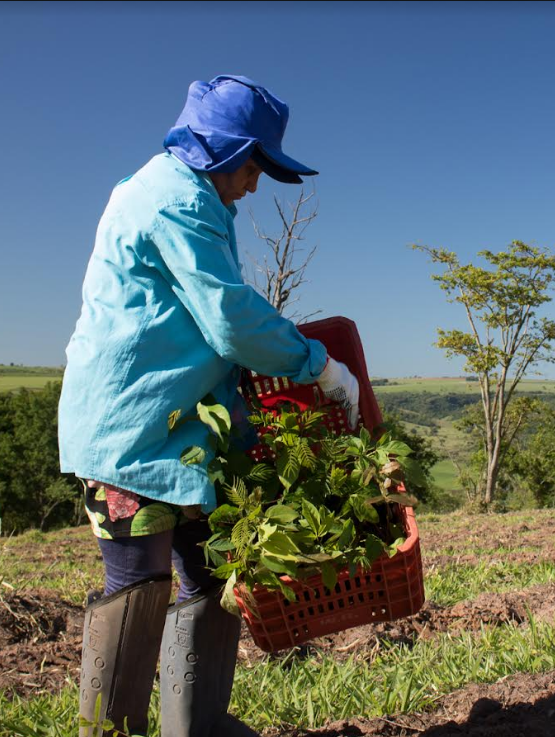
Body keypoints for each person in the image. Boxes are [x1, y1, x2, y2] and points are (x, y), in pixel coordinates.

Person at [58, 75, 360, 737]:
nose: (254, 184)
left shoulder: (189, 194)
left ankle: (194, 726)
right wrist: (319, 365)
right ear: (224, 150)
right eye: (253, 165)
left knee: (213, 572)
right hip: (132, 426)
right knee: (138, 586)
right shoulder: (173, 199)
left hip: (184, 428)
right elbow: (228, 320)